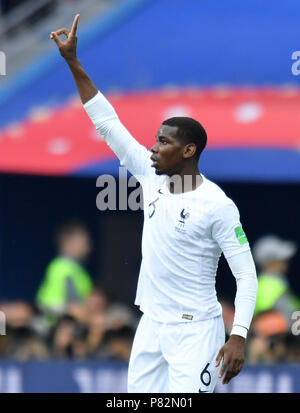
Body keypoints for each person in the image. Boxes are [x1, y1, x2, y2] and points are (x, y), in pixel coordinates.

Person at [49, 15, 258, 393]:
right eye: (156, 139)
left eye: (164, 142)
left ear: (188, 150)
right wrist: (73, 62)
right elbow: (107, 124)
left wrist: (239, 335)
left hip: (196, 331)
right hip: (151, 326)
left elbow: (246, 275)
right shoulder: (150, 176)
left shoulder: (217, 205)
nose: (154, 147)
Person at [36, 219, 93, 318]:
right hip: (55, 326)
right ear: (68, 242)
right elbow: (74, 308)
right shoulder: (63, 267)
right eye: (84, 242)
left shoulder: (76, 269)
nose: (88, 246)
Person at [252, 235, 300, 324]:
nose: (287, 261)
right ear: (270, 262)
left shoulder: (269, 283)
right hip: (282, 337)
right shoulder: (269, 286)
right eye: (282, 259)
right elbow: (288, 322)